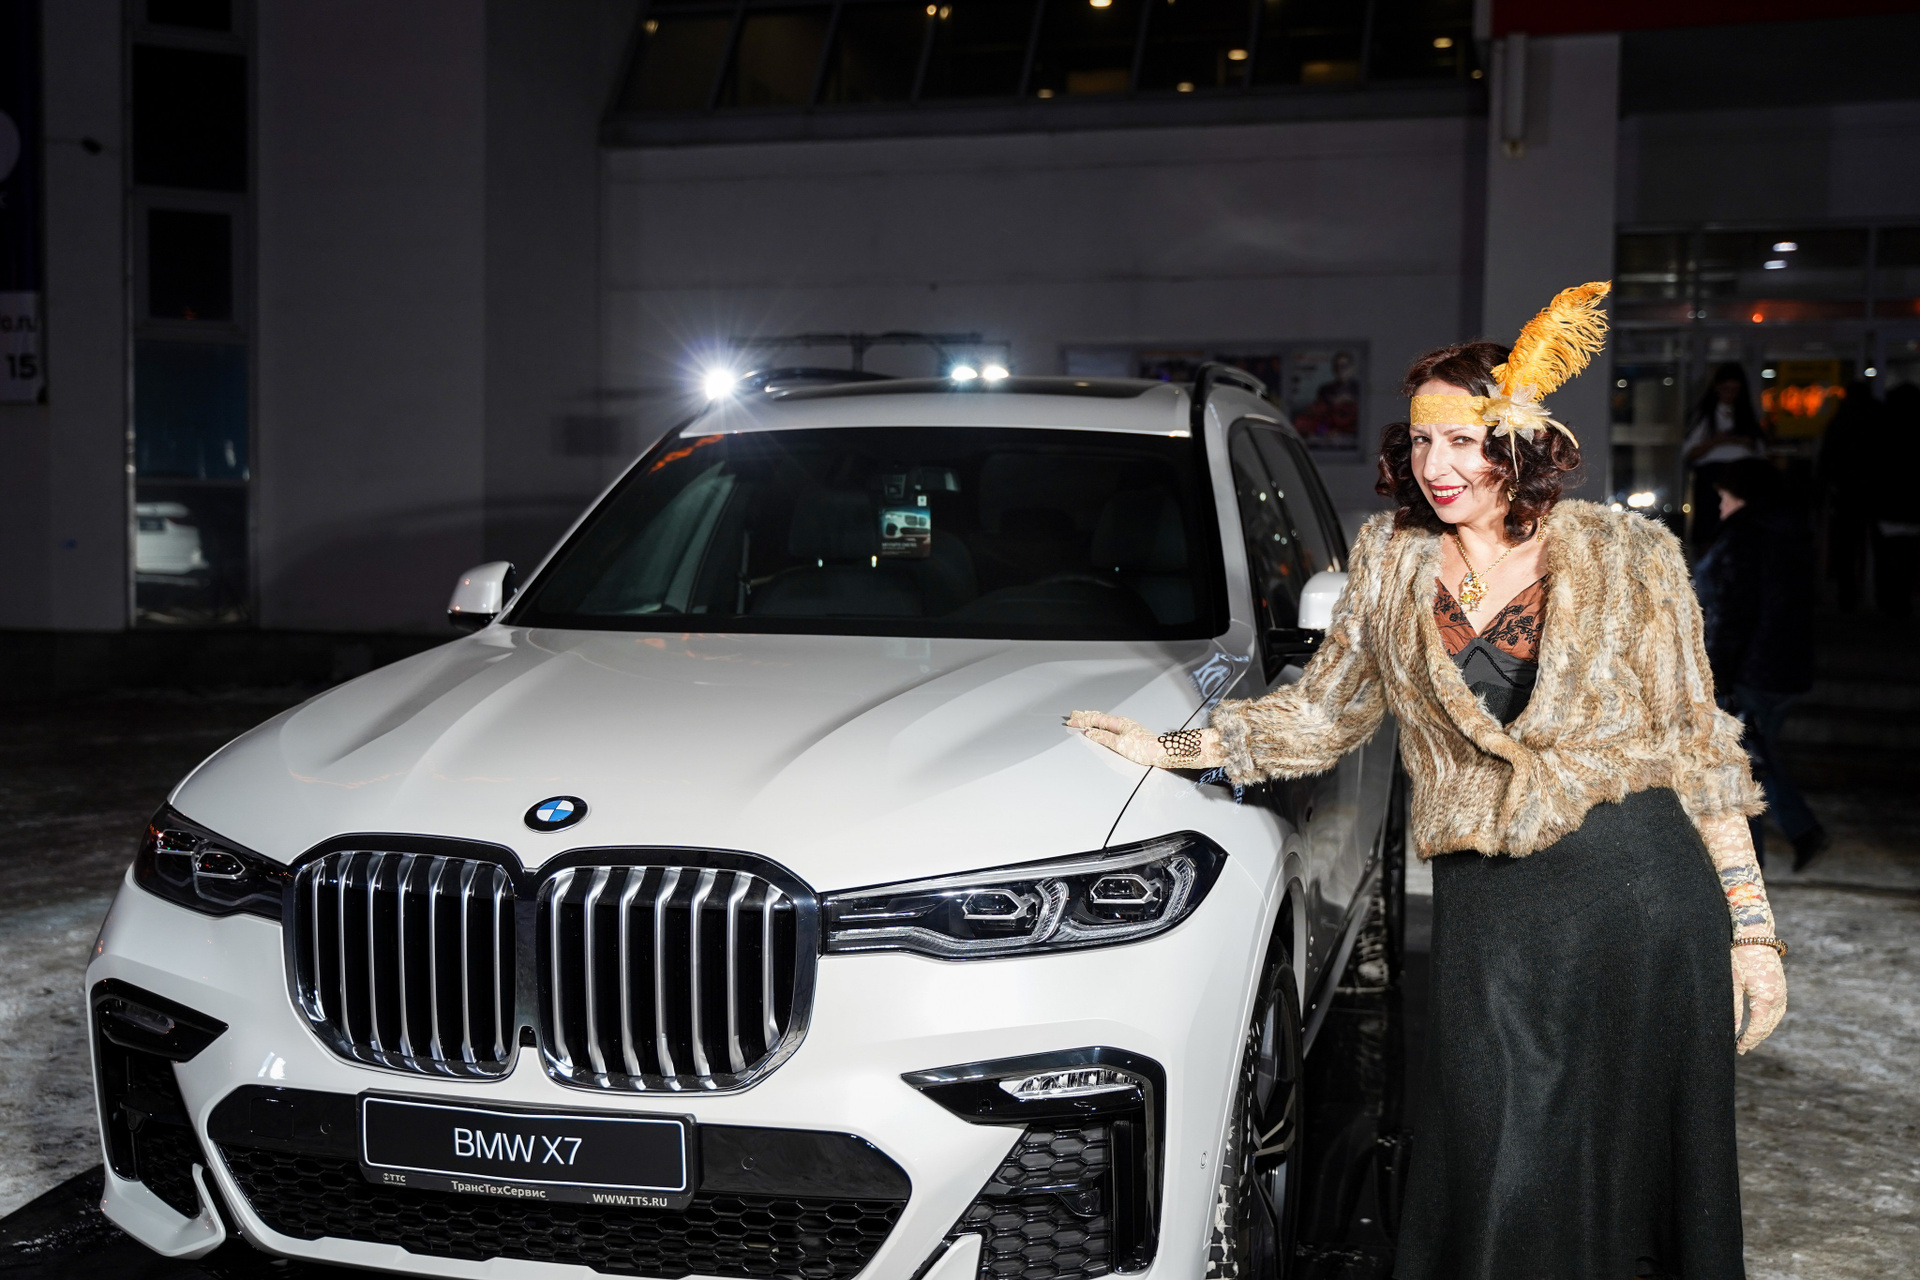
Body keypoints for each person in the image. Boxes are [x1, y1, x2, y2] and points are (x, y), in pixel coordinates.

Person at [1068, 282, 1786, 1279]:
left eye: (1461, 440)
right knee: (1498, 1160)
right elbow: (1325, 711)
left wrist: (1751, 930)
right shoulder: (1391, 560)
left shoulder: (1629, 556)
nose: (1435, 465)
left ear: (1519, 439)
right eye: (1419, 442)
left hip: (1643, 901)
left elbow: (1698, 745)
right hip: (1494, 911)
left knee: (1622, 1181)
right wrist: (1179, 748)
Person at [1693, 457, 1828, 870]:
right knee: (1753, 757)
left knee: (1744, 763)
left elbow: (1734, 612)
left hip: (1752, 669)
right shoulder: (1784, 532)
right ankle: (1790, 836)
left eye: (1725, 496)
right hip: (1778, 667)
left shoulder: (1746, 536)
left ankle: (1758, 854)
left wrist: (1720, 674)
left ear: (1742, 495)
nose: (1720, 504)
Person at [1683, 362, 1767, 552]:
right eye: (1725, 389)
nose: (1730, 395)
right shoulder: (1705, 417)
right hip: (1711, 477)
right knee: (1709, 527)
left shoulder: (1748, 416)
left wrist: (1744, 441)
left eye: (1734, 390)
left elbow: (1761, 451)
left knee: (1740, 526)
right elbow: (1689, 452)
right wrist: (1715, 442)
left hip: (1742, 476)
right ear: (1717, 389)